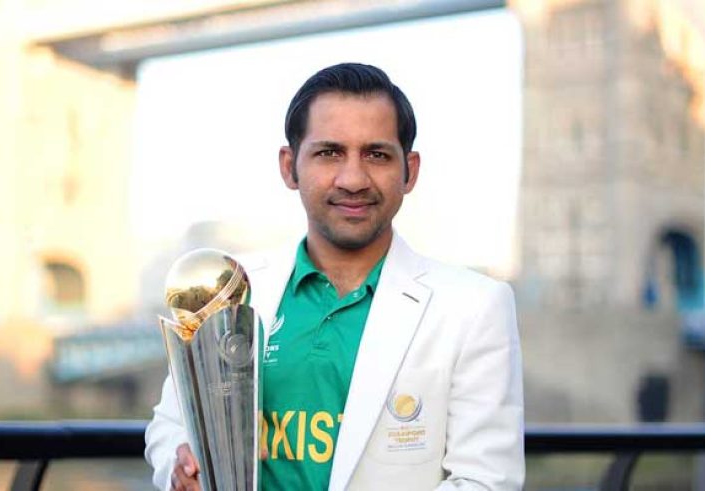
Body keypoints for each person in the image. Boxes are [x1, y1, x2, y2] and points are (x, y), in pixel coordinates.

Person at [145, 62, 524, 490]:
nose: (353, 179)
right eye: (329, 153)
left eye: (376, 155)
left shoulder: (473, 308)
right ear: (290, 167)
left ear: (410, 171)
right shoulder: (232, 286)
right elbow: (171, 425)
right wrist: (181, 466)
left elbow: (486, 481)